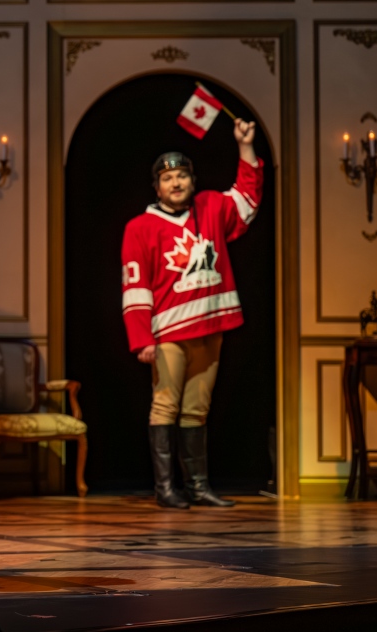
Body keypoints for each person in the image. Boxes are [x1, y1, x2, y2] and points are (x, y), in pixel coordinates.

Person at [121, 118, 262, 510]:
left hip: (212, 325)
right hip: (168, 331)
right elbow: (135, 287)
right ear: (157, 186)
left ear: (193, 180)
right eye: (168, 178)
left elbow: (248, 200)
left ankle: (198, 487)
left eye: (182, 175)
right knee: (165, 404)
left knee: (197, 409)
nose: (176, 183)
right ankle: (166, 489)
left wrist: (245, 147)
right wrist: (141, 340)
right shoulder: (140, 227)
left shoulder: (212, 208)